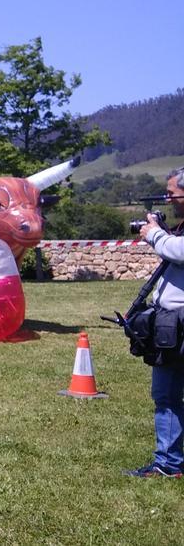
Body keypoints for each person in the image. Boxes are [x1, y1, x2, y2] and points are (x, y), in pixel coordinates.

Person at [129, 167, 184, 478]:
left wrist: (155, 234)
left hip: (179, 325)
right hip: (174, 322)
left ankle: (168, 464)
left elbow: (179, 251)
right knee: (167, 395)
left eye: (172, 193)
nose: (168, 198)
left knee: (166, 396)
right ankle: (170, 461)